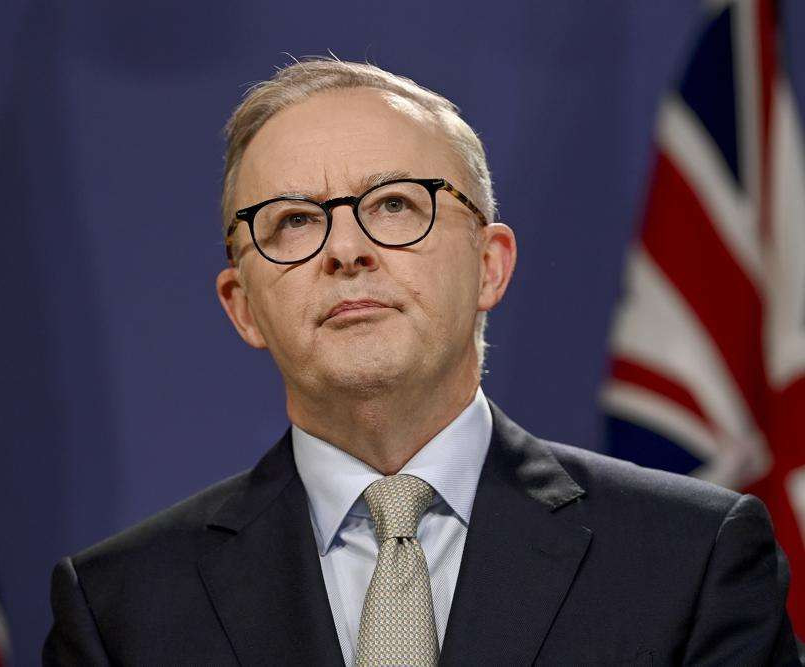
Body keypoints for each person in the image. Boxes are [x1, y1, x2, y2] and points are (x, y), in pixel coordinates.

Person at [43, 59, 799, 665]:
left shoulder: (690, 558)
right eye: (294, 221)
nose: (346, 250)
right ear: (242, 305)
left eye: (396, 204)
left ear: (490, 265)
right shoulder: (120, 609)